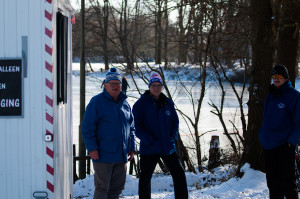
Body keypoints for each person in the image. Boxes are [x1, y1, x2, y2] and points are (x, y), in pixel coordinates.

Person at [81, 67, 136, 199]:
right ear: (105, 85)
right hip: (103, 155)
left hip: (121, 156)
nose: (115, 86)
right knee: (102, 189)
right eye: (112, 83)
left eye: (118, 83)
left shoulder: (125, 104)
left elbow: (131, 128)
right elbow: (87, 128)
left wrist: (131, 147)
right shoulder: (96, 102)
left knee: (116, 190)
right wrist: (92, 148)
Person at [132, 71, 188, 199]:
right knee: (145, 178)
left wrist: (172, 137)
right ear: (149, 86)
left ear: (161, 86)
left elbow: (175, 121)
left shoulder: (168, 102)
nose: (156, 88)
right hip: (150, 147)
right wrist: (150, 140)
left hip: (167, 146)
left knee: (179, 173)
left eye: (159, 85)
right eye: (154, 85)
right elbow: (137, 127)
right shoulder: (140, 105)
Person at [259, 64, 300, 199]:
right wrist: (262, 136)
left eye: (279, 77)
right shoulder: (271, 95)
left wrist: (291, 143)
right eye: (274, 76)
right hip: (269, 146)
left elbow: (299, 122)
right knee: (273, 184)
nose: (276, 79)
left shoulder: (294, 96)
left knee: (288, 184)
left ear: (286, 78)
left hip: (284, 146)